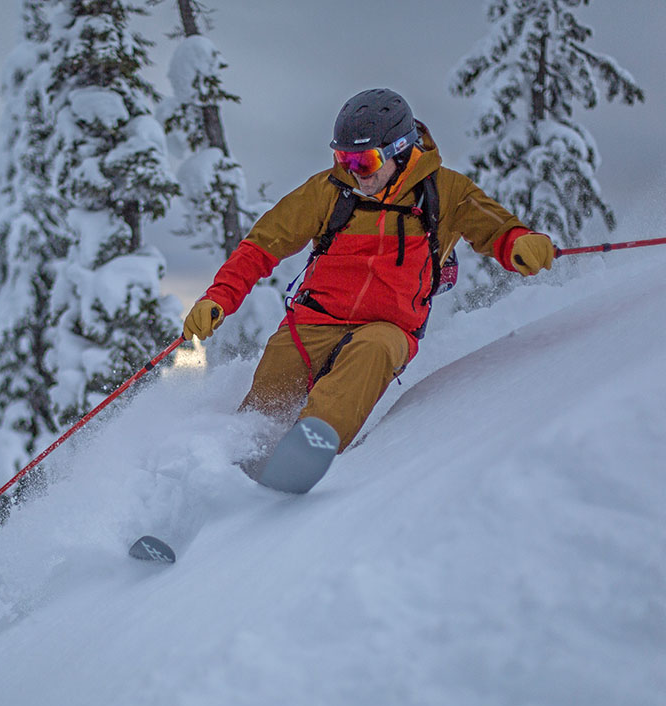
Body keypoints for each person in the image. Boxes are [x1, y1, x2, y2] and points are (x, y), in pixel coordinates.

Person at [182, 88, 554, 453]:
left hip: (389, 326)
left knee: (370, 352)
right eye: (345, 159)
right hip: (316, 319)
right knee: (281, 368)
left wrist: (519, 242)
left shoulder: (444, 191)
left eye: (365, 162)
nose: (355, 172)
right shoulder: (329, 192)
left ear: (400, 150)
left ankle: (305, 451)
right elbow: (262, 243)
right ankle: (239, 455)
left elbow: (496, 228)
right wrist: (218, 297)